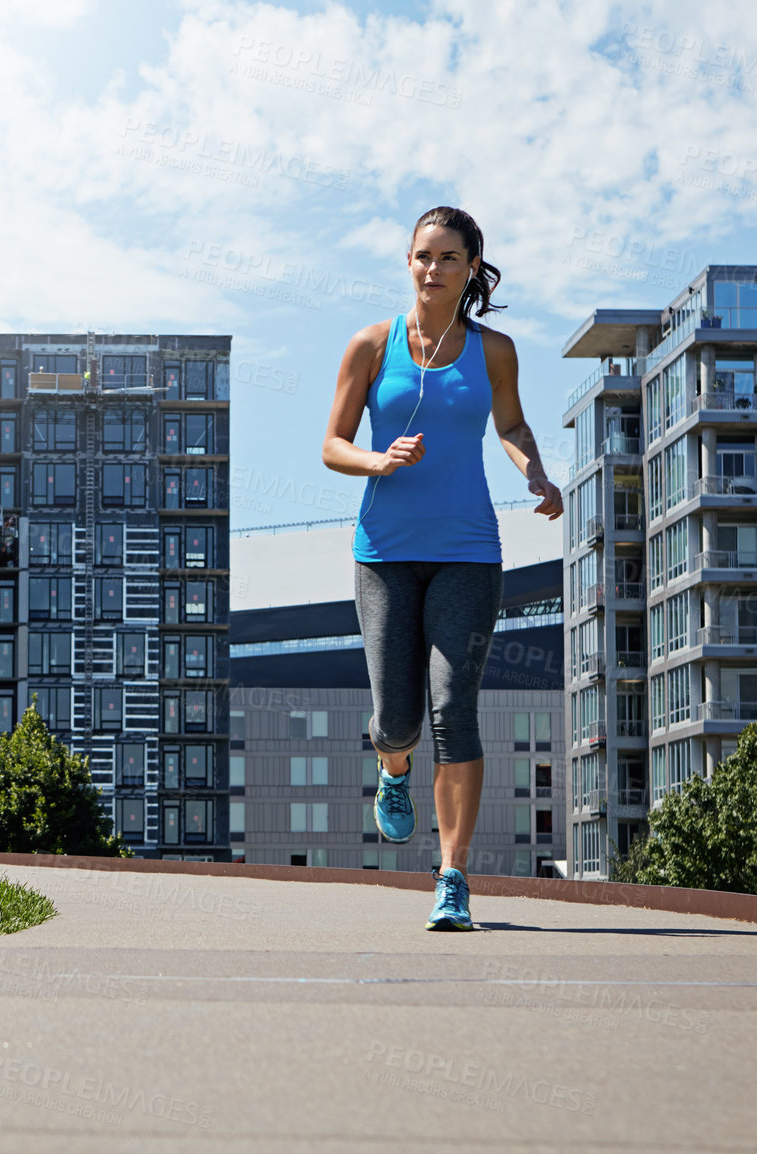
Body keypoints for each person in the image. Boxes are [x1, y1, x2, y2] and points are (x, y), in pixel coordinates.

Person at [321, 206, 563, 930]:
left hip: (467, 553)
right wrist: (378, 459)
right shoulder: (371, 344)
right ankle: (392, 769)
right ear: (409, 261)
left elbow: (512, 425)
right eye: (423, 256)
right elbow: (332, 444)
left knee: (454, 710)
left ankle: (452, 876)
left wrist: (536, 474)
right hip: (385, 555)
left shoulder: (494, 351)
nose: (433, 269)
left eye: (448, 258)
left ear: (470, 268)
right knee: (398, 720)